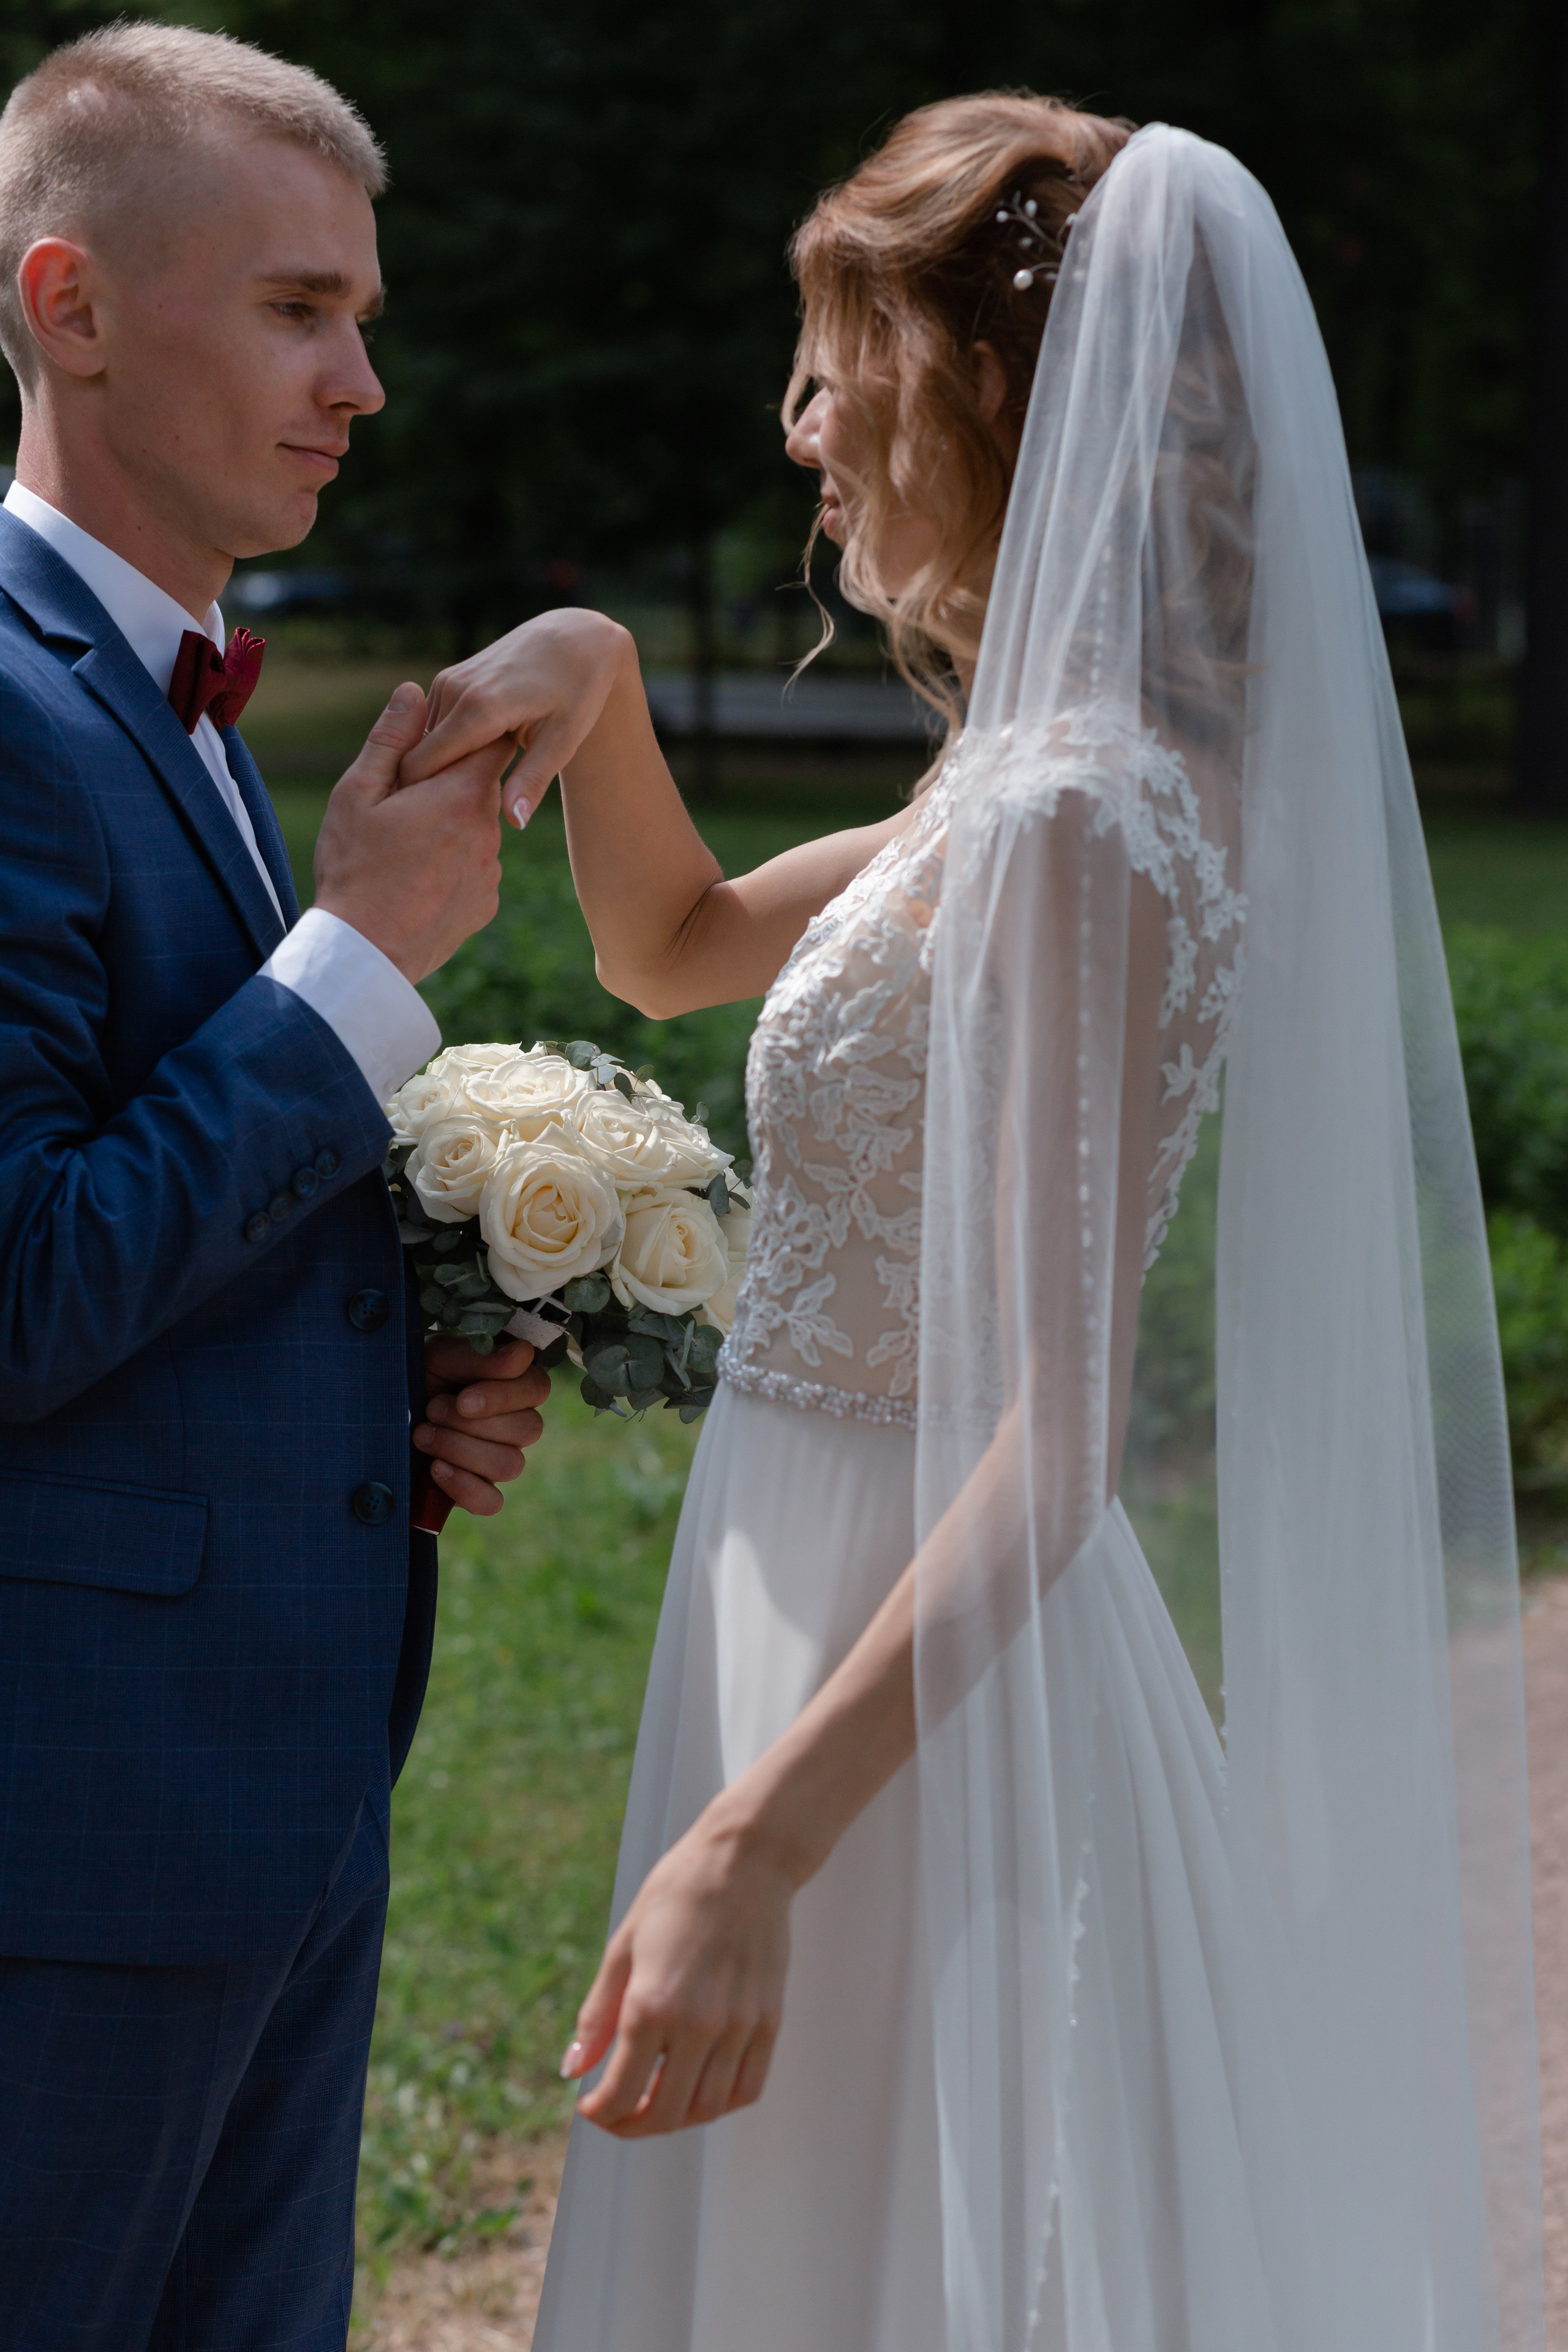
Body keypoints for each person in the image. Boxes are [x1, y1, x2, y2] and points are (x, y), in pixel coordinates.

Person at [410, 93, 1544, 2352]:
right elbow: (678, 942)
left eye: (842, 361)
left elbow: (1058, 1432)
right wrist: (600, 671)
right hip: (812, 1574)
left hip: (918, 1670)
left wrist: (759, 1846)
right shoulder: (1024, 768)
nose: (805, 423)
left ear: (982, 388)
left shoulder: (1081, 815)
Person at [0, 24, 547, 2348]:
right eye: (299, 309)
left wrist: (402, 1355)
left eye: (368, 319)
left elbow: (181, 1195)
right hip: (70, 1826)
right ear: (73, 302)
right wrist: (362, 964)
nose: (363, 382)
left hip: (280, 1776)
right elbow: (24, 1281)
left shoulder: (192, 691)